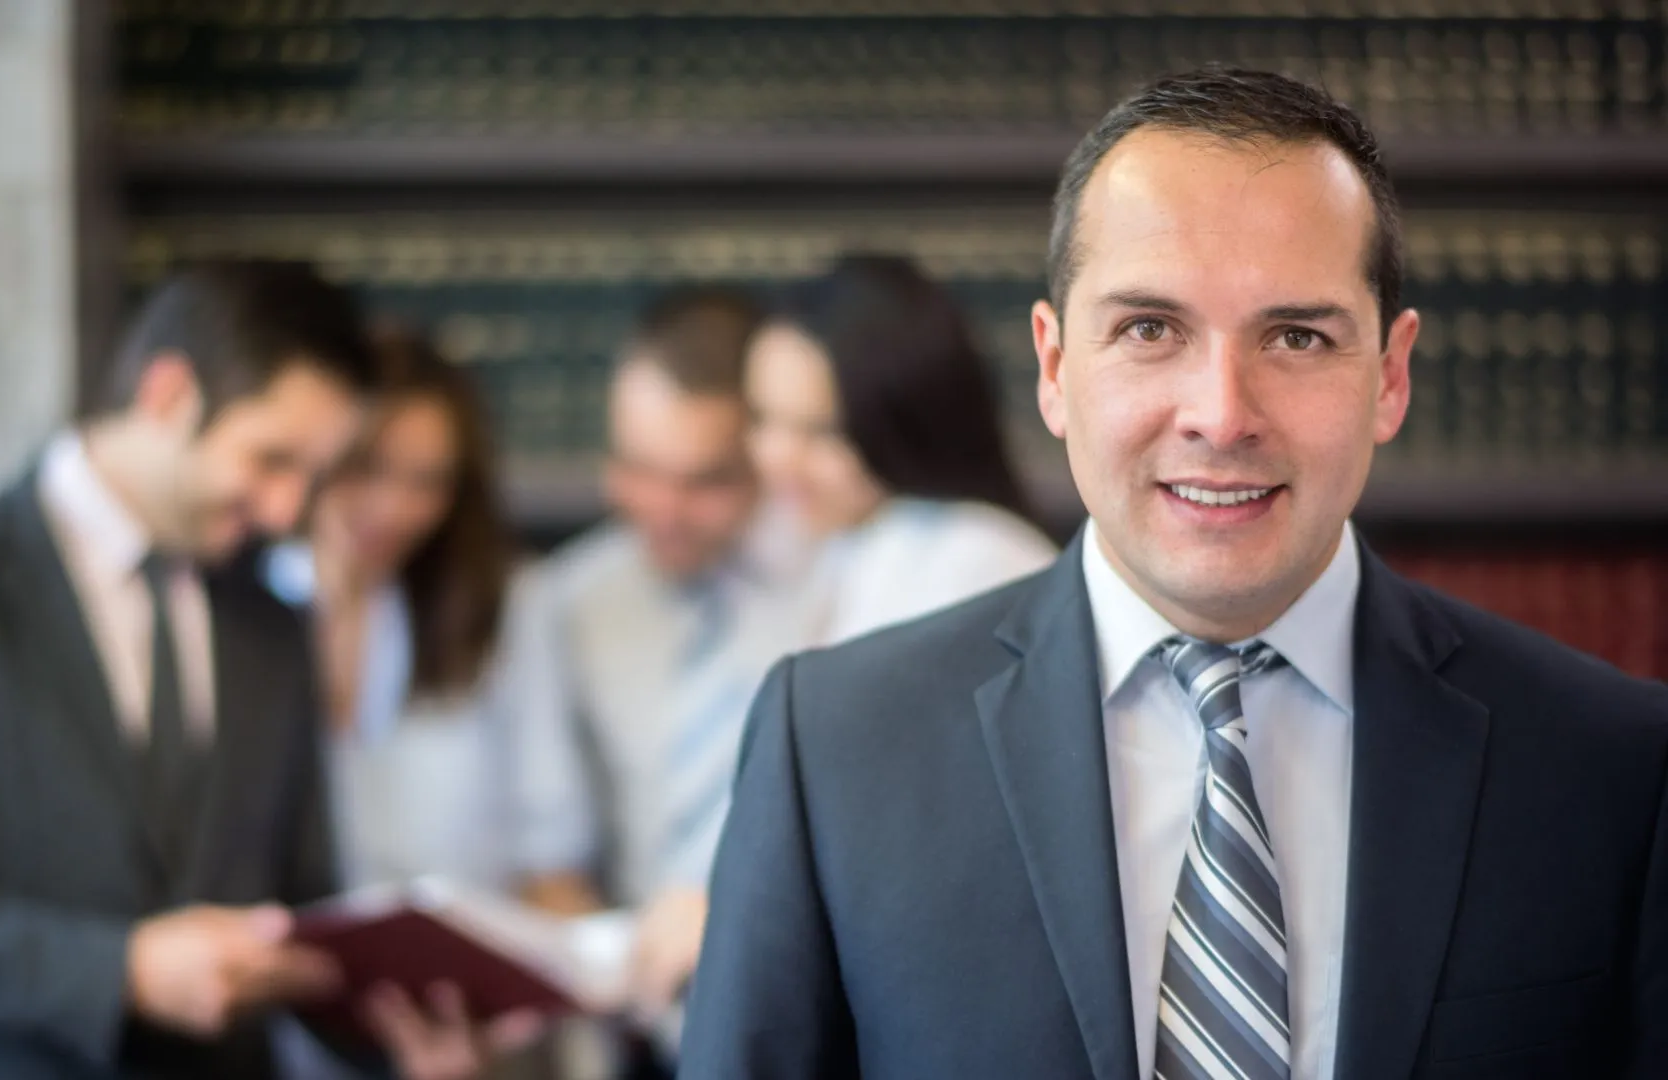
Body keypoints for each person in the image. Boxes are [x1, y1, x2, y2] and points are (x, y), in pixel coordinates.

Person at [681, 68, 1668, 1080]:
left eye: (1296, 336)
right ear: (1056, 367)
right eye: (1151, 329)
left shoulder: (1615, 768)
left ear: (1390, 375)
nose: (1221, 413)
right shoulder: (837, 750)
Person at [0, 262, 517, 1080]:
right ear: (168, 395)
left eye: (313, 479)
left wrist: (405, 1042)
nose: (286, 511)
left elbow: (301, 909)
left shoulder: (268, 622)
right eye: (270, 459)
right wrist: (123, 969)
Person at [506, 285, 809, 1075]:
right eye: (638, 469)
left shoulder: (846, 582)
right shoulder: (565, 601)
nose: (662, 510)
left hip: (817, 1015)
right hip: (638, 1033)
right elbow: (550, 865)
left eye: (705, 480)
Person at [264, 329, 547, 1080]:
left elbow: (548, 848)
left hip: (464, 1031)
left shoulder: (494, 610)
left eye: (430, 481)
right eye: (367, 470)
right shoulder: (241, 612)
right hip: (270, 1036)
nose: (396, 507)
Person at [745, 252, 1060, 645]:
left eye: (824, 431)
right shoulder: (825, 544)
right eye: (762, 417)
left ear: (904, 424)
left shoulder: (973, 562)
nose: (778, 456)